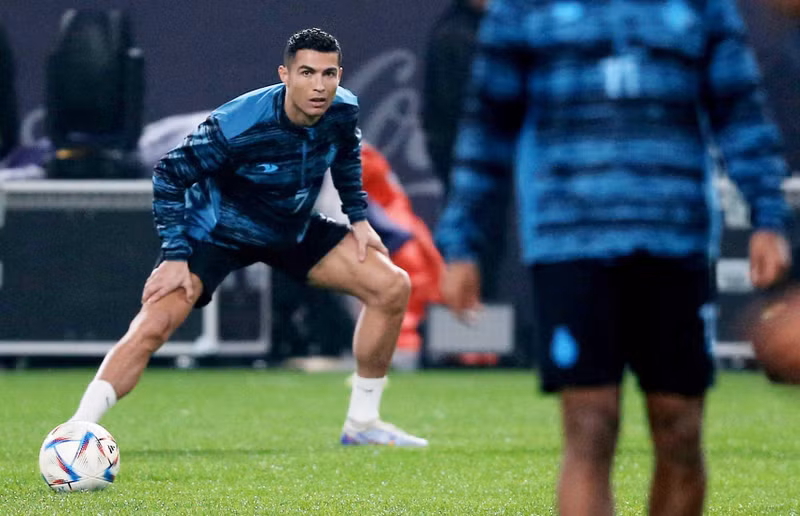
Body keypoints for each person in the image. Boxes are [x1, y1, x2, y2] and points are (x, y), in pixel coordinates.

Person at [436, 1, 791, 514]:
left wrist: (768, 214)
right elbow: (486, 127)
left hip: (675, 238)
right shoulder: (522, 9)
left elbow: (740, 111)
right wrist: (462, 240)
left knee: (680, 428)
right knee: (589, 423)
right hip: (569, 239)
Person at [66, 28, 427, 447]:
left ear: (339, 76)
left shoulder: (343, 110)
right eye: (306, 73)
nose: (318, 85)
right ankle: (78, 430)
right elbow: (168, 175)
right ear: (285, 75)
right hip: (218, 232)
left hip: (290, 228)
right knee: (154, 326)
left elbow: (346, 155)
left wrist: (359, 219)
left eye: (328, 74)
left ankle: (363, 425)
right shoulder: (238, 124)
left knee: (391, 286)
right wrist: (175, 255)